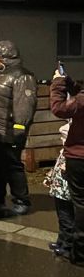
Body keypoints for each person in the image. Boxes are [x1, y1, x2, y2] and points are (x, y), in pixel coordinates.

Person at [0, 40, 36, 216]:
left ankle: (21, 200)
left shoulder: (21, 76)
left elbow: (24, 104)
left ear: (5, 56)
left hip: (8, 131)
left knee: (12, 166)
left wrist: (19, 128)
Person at [49, 69, 84, 265]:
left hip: (79, 157)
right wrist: (69, 84)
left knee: (80, 205)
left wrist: (58, 84)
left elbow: (59, 109)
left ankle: (79, 253)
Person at [42, 122, 75, 260]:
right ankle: (61, 241)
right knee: (62, 218)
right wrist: (50, 177)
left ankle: (67, 246)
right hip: (59, 191)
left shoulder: (72, 155)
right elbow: (57, 166)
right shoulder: (64, 152)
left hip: (66, 193)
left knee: (67, 219)